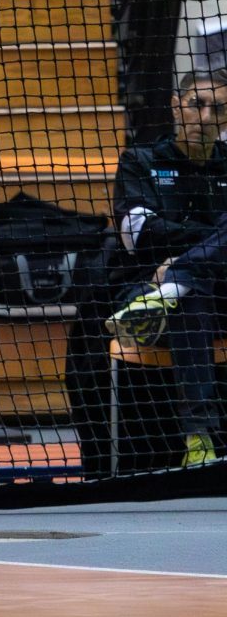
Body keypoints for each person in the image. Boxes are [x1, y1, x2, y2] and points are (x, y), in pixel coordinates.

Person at [104, 67, 227, 467]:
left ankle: (178, 281)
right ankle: (198, 437)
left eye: (219, 109)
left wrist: (180, 262)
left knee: (187, 290)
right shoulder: (140, 161)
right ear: (176, 107)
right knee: (192, 299)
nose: (206, 118)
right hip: (144, 291)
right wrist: (210, 242)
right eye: (197, 105)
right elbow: (138, 233)